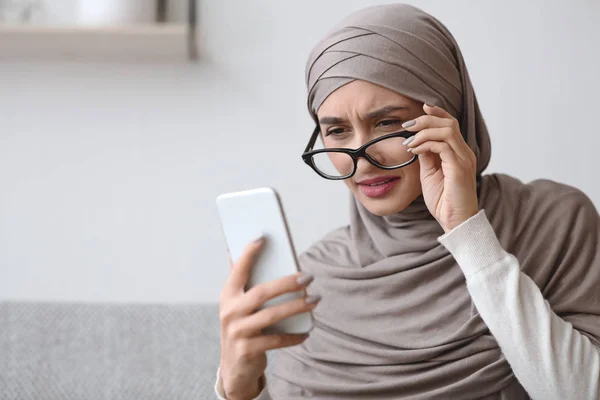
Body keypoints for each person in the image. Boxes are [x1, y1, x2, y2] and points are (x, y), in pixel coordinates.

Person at [215, 4, 600, 399]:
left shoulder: (555, 223)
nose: (362, 157)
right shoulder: (317, 277)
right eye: (337, 130)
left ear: (448, 114)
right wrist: (238, 388)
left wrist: (468, 234)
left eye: (387, 122)